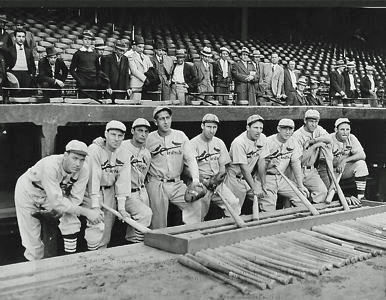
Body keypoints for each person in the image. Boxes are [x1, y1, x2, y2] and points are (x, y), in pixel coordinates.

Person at [14, 140, 103, 261]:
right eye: (74, 158)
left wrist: (65, 210)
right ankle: (35, 274)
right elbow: (57, 202)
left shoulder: (84, 169)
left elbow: (75, 199)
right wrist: (87, 212)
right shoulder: (51, 165)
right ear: (65, 156)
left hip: (50, 195)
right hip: (28, 191)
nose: (78, 163)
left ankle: (70, 262)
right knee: (33, 244)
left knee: (71, 220)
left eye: (82, 160)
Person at [145, 106, 202, 229]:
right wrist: (102, 141)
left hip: (176, 183)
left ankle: (191, 235)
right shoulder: (149, 138)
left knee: (194, 204)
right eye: (161, 119)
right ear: (156, 122)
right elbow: (132, 146)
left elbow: (191, 159)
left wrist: (195, 180)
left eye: (168, 118)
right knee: (158, 224)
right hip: (157, 183)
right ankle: (159, 246)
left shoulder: (180, 135)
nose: (165, 122)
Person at [84, 120, 131, 250]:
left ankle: (101, 259)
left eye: (120, 136)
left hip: (110, 191)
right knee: (95, 228)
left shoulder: (124, 152)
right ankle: (92, 258)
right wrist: (94, 205)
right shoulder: (95, 149)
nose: (116, 139)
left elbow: (123, 180)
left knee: (107, 230)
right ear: (106, 134)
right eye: (113, 134)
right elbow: (94, 178)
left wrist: (121, 207)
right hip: (93, 191)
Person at [189, 113, 240, 220]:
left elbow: (223, 167)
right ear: (202, 126)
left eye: (214, 127)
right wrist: (204, 181)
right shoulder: (192, 143)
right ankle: (198, 232)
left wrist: (217, 181)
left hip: (216, 183)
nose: (212, 130)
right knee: (198, 213)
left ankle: (226, 230)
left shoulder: (219, 143)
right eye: (209, 127)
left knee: (233, 203)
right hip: (200, 184)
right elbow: (186, 169)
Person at [259, 119, 309, 212]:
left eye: (290, 129)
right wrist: (268, 166)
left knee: (301, 196)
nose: (287, 132)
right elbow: (257, 166)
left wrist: (300, 185)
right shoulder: (267, 141)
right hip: (266, 178)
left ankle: (293, 220)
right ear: (278, 128)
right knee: (269, 208)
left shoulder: (293, 141)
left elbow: (296, 163)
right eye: (284, 128)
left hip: (281, 179)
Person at [223, 114, 269, 209]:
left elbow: (261, 161)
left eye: (261, 128)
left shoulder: (262, 138)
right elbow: (243, 168)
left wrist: (263, 183)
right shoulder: (239, 143)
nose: (258, 131)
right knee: (234, 209)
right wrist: (254, 188)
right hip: (234, 178)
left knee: (264, 198)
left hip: (247, 178)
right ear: (247, 127)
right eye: (255, 127)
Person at [119, 118, 153, 243]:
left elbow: (145, 174)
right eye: (140, 130)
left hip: (140, 190)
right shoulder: (122, 145)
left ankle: (134, 246)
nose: (143, 134)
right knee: (145, 215)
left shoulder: (146, 153)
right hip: (125, 191)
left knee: (142, 223)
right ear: (132, 131)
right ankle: (133, 245)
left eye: (146, 131)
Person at [320, 118, 369, 201]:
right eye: (342, 129)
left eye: (347, 129)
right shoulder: (328, 139)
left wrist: (344, 161)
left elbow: (362, 155)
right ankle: (345, 197)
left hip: (342, 169)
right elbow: (323, 162)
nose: (345, 132)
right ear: (336, 130)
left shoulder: (351, 137)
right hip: (327, 170)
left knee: (361, 164)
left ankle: (361, 197)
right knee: (329, 194)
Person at [292, 109, 330, 203]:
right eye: (311, 121)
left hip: (311, 170)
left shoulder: (318, 129)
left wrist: (312, 141)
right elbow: (300, 160)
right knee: (298, 197)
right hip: (297, 171)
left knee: (322, 192)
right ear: (305, 121)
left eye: (316, 121)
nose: (314, 124)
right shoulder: (297, 135)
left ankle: (312, 209)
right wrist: (315, 146)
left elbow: (329, 139)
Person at [69, 30, 107, 99]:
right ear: (82, 40)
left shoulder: (95, 54)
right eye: (85, 39)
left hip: (93, 85)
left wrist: (97, 82)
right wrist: (79, 80)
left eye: (89, 39)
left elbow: (98, 70)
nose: (87, 41)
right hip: (82, 85)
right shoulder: (77, 54)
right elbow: (71, 70)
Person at [9, 28, 36, 97]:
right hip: (14, 73)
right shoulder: (9, 50)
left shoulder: (29, 51)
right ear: (15, 38)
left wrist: (32, 75)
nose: (21, 39)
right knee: (14, 96)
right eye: (19, 36)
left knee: (26, 95)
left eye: (23, 37)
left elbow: (32, 65)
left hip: (26, 74)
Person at [128, 36, 153, 101]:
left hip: (146, 85)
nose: (141, 49)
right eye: (139, 47)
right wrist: (145, 79)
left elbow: (151, 68)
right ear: (135, 46)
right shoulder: (131, 57)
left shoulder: (146, 57)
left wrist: (149, 78)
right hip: (136, 84)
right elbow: (134, 71)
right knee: (135, 105)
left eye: (143, 47)